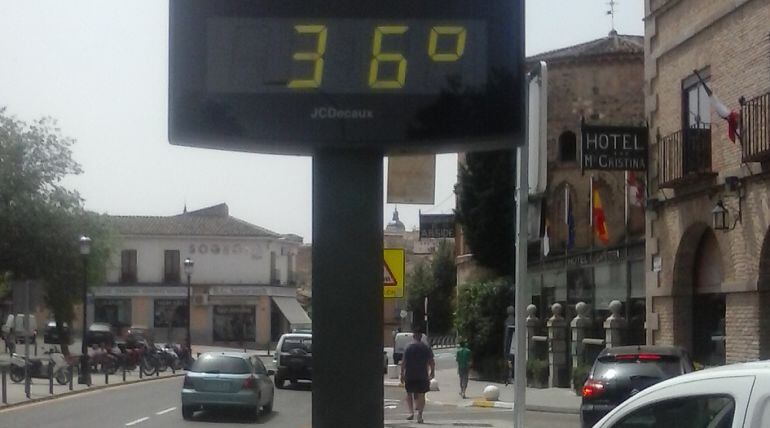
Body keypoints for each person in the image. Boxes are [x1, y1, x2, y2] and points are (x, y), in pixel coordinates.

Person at [400, 328, 435, 424]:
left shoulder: (408, 347)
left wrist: (402, 374)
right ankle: (420, 415)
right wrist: (432, 372)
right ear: (421, 336)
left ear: (414, 336)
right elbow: (431, 361)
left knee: (409, 393)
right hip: (422, 375)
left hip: (410, 374)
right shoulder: (426, 347)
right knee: (422, 394)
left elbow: (403, 362)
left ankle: (411, 412)